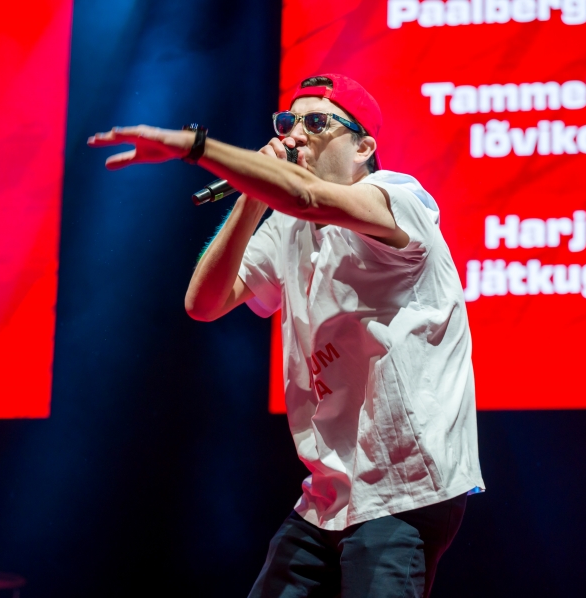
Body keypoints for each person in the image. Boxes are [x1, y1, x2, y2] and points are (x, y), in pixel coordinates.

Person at [89, 73, 484, 598]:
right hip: (329, 494)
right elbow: (204, 303)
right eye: (287, 122)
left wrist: (196, 146)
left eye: (316, 122)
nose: (295, 135)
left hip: (404, 489)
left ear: (363, 147)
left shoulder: (399, 197)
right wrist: (252, 199)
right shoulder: (288, 225)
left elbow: (308, 197)